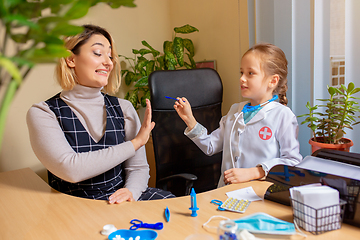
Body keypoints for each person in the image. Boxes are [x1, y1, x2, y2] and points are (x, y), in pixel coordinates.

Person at [27, 24, 175, 203]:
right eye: (98, 53)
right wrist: (134, 144)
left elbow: (138, 168)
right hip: (75, 207)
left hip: (122, 200)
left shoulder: (124, 108)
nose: (109, 62)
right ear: (70, 59)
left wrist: (131, 192)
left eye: (110, 56)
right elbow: (71, 169)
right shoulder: (43, 113)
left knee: (173, 208)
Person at [174, 43, 302, 187]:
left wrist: (255, 172)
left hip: (259, 195)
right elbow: (210, 146)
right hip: (225, 193)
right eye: (241, 73)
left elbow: (292, 161)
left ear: (272, 81)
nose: (242, 79)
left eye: (250, 73)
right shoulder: (235, 111)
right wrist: (190, 120)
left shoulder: (282, 115)